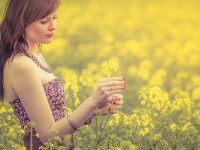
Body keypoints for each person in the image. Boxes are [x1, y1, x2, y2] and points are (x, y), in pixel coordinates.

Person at [0, 0, 127, 149]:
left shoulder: (34, 57)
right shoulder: (21, 65)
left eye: (54, 18)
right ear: (22, 21)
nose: (53, 26)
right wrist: (92, 101)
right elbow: (49, 136)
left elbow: (54, 118)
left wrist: (94, 110)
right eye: (44, 21)